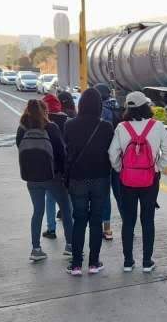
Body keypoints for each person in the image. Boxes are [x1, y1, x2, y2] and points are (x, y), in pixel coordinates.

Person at [108, 91, 167, 272]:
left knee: (128, 220)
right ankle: (146, 261)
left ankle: (128, 262)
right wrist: (157, 167)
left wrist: (121, 169)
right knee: (147, 220)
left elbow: (112, 154)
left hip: (127, 180)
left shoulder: (122, 127)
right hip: (150, 180)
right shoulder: (157, 126)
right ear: (146, 106)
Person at [63, 89, 114, 276]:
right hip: (100, 178)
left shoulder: (69, 125)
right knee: (95, 221)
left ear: (81, 104)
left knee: (79, 220)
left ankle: (76, 264)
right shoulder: (106, 127)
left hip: (77, 179)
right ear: (99, 106)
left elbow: (66, 151)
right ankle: (94, 263)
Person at [16, 99, 73, 261]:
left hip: (32, 178)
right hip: (53, 176)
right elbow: (61, 152)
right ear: (45, 111)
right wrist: (63, 174)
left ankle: (36, 249)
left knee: (37, 212)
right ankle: (70, 246)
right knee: (66, 209)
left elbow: (20, 148)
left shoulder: (22, 129)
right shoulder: (51, 127)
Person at [41, 93, 69, 239]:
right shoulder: (67, 121)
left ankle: (51, 229)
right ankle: (70, 235)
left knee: (50, 199)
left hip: (49, 168)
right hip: (65, 167)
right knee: (67, 201)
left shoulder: (43, 124)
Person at [96, 83, 122, 240]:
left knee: (105, 195)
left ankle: (107, 229)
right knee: (120, 194)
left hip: (105, 159)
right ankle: (128, 224)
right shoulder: (118, 108)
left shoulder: (102, 112)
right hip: (121, 158)